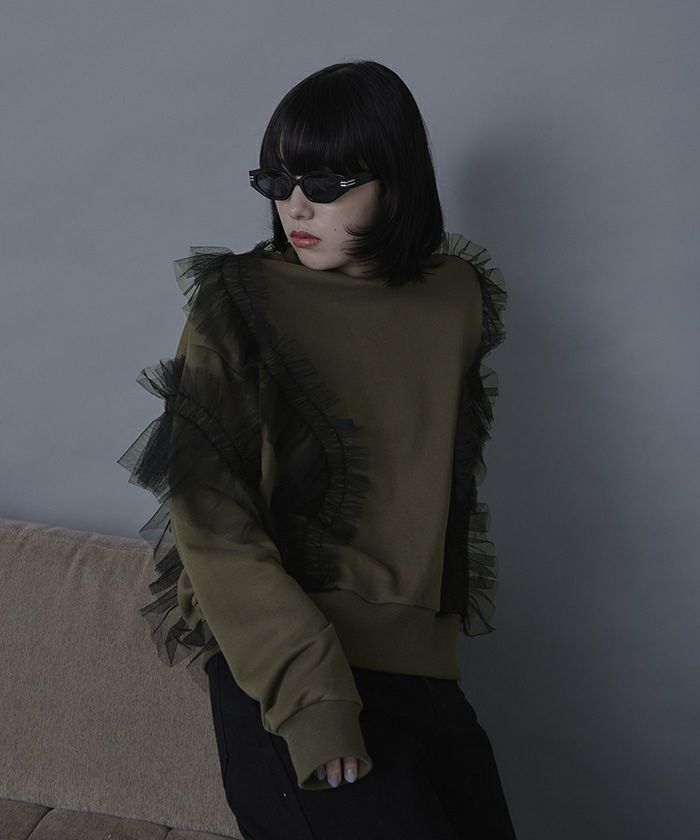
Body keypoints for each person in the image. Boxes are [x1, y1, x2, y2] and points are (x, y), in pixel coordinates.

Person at [118, 59, 517, 839]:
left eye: (328, 183)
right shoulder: (239, 303)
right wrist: (310, 696)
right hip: (291, 676)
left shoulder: (456, 301)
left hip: (426, 679)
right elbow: (212, 521)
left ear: (398, 182)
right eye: (277, 181)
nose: (296, 206)